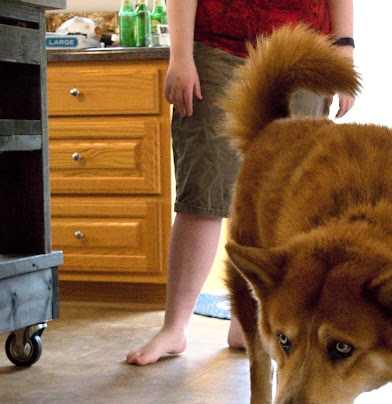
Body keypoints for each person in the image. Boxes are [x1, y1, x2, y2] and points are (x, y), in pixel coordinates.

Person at [127, 0, 356, 366]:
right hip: (219, 48)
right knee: (203, 192)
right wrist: (181, 56)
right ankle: (175, 328)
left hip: (304, 50)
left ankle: (250, 325)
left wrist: (343, 49)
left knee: (282, 202)